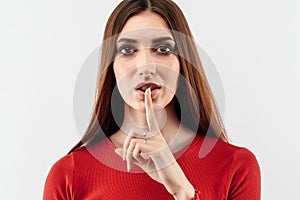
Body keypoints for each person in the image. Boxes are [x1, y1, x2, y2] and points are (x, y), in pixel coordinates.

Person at [43, 0, 261, 199]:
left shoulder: (235, 166)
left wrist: (182, 190)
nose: (145, 65)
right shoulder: (69, 175)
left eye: (163, 49)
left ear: (182, 63)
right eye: (127, 50)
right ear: (112, 68)